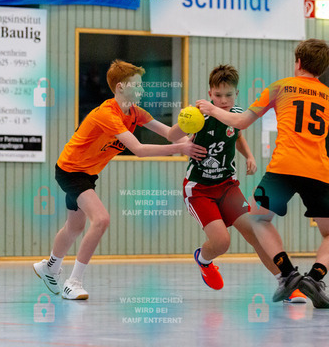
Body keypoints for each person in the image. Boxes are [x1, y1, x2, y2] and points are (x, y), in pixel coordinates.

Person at [196, 39, 329, 308]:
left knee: (258, 218)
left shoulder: (280, 87)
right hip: (318, 173)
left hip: (282, 168)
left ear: (298, 62)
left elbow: (241, 121)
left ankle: (287, 274)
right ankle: (315, 278)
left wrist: (212, 109)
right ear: (322, 68)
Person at [33, 60, 207, 299]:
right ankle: (73, 282)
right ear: (121, 87)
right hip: (71, 171)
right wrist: (180, 148)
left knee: (75, 227)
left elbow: (169, 133)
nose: (142, 89)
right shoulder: (108, 114)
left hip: (87, 173)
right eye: (138, 85)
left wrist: (190, 122)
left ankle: (49, 267)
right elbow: (139, 150)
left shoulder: (135, 113)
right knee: (101, 220)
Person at [168, 64, 306, 302]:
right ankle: (203, 259)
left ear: (237, 94)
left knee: (256, 232)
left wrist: (249, 156)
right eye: (218, 95)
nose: (223, 100)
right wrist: (184, 137)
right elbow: (172, 136)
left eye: (229, 95)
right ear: (209, 93)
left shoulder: (237, 114)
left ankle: (286, 284)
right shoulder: (198, 115)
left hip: (227, 186)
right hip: (199, 190)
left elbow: (238, 135)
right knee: (222, 243)